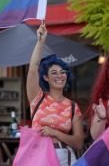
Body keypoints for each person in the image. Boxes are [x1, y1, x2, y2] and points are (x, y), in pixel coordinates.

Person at [26, 23, 84, 165]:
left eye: (62, 72)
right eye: (54, 73)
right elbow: (33, 70)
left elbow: (79, 142)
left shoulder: (72, 106)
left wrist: (56, 133)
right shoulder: (37, 98)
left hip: (64, 157)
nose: (59, 76)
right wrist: (41, 42)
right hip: (39, 155)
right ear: (45, 77)